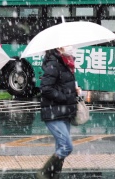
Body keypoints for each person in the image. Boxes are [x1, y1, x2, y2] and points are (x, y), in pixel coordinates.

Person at [36, 46, 81, 179]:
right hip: (53, 112)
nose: (71, 47)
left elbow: (62, 84)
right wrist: (65, 97)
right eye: (67, 45)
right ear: (59, 47)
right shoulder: (53, 63)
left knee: (61, 147)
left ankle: (53, 175)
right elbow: (46, 88)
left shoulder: (66, 62)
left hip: (63, 112)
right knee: (67, 147)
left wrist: (74, 90)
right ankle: (44, 172)